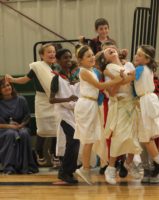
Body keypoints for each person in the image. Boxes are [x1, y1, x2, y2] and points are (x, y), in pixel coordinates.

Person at [73, 45, 123, 185]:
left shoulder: (91, 69)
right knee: (88, 139)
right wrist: (118, 79)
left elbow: (99, 55)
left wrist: (106, 51)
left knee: (92, 138)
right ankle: (85, 169)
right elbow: (100, 86)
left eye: (92, 55)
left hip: (92, 105)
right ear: (80, 60)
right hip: (86, 105)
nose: (92, 58)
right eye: (88, 56)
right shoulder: (84, 71)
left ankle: (85, 169)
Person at [5, 43, 60, 168]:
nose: (52, 54)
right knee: (42, 129)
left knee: (56, 128)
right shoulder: (37, 67)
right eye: (49, 52)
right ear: (42, 55)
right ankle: (39, 151)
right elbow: (25, 79)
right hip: (42, 101)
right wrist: (13, 80)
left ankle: (54, 154)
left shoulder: (57, 67)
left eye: (53, 52)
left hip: (55, 100)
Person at [97, 47, 142, 185]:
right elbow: (111, 92)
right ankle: (110, 169)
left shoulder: (128, 65)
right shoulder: (108, 69)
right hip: (121, 104)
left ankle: (128, 163)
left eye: (111, 48)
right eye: (106, 51)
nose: (109, 49)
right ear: (105, 58)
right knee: (119, 137)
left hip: (133, 103)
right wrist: (121, 79)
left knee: (134, 137)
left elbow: (136, 81)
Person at [133, 45, 159, 183]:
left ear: (147, 59)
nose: (136, 56)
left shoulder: (140, 69)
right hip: (147, 100)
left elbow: (126, 78)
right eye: (136, 54)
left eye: (140, 55)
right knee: (147, 137)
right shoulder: (147, 69)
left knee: (146, 138)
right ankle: (154, 165)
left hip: (146, 102)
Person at [49, 48, 80, 184]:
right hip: (62, 114)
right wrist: (67, 99)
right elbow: (51, 99)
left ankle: (69, 171)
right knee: (73, 141)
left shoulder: (71, 76)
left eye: (69, 57)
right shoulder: (56, 78)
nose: (68, 60)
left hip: (72, 113)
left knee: (74, 142)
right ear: (58, 60)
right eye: (64, 58)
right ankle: (64, 172)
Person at [0, 78, 38, 174]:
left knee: (24, 133)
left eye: (8, 85)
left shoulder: (21, 99)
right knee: (10, 134)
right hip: (4, 129)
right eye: (3, 87)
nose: (7, 88)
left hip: (21, 127)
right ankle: (9, 168)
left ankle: (27, 167)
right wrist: (10, 126)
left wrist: (21, 125)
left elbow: (27, 116)